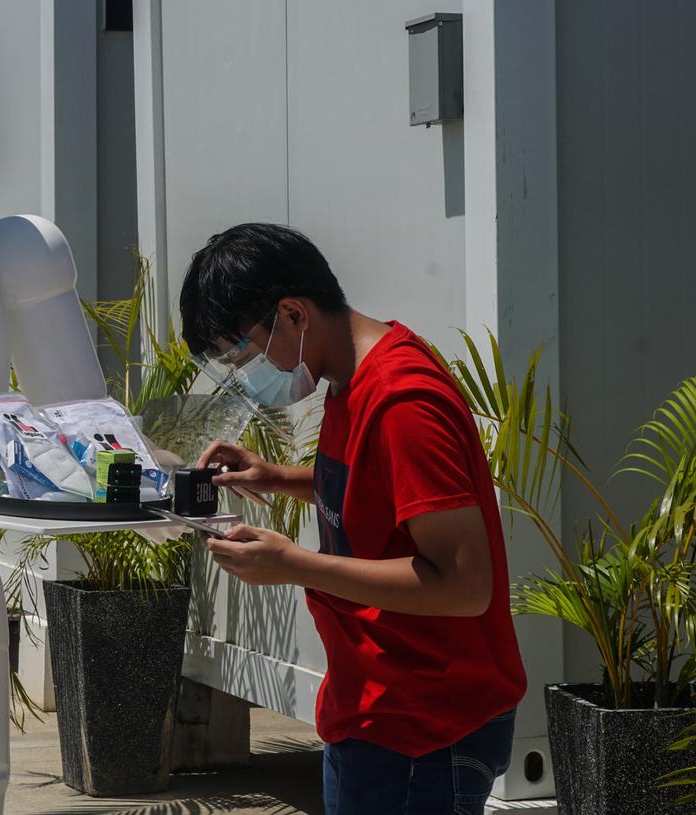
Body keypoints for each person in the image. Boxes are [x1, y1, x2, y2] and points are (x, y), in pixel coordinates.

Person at [179, 223, 527, 815]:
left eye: (242, 352)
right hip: (373, 707)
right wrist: (277, 476)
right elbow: (376, 490)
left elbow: (465, 585)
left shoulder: (401, 402)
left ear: (292, 315)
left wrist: (293, 565)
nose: (244, 375)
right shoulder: (347, 378)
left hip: (425, 724)